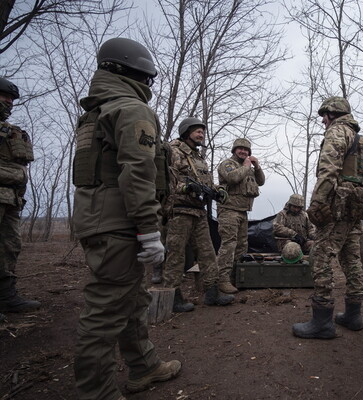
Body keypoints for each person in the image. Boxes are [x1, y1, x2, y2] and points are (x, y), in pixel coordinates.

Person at [72, 37, 180, 399]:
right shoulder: (131, 109)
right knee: (104, 314)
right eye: (147, 77)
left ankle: (143, 366)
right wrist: (149, 230)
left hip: (102, 221)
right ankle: (97, 392)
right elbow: (137, 172)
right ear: (133, 73)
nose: (149, 85)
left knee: (132, 301)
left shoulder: (95, 112)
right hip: (120, 225)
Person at [292, 97, 363, 339]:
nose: (323, 120)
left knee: (321, 257)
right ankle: (353, 315)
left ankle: (322, 321)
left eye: (325, 115)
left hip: (337, 206)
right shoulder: (362, 140)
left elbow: (328, 170)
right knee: (351, 259)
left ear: (334, 114)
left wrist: (317, 203)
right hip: (354, 207)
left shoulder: (337, 132)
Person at [163, 117, 234, 311]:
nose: (201, 133)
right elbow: (166, 182)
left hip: (198, 212)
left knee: (208, 254)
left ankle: (212, 293)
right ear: (186, 132)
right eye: (197, 130)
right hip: (179, 211)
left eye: (202, 131)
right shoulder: (173, 151)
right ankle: (173, 297)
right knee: (176, 255)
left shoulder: (198, 158)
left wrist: (217, 190)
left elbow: (207, 184)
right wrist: (186, 188)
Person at [0, 77, 40, 316]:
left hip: (11, 200)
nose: (8, 102)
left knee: (10, 246)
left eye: (11, 99)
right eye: (4, 97)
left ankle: (6, 296)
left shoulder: (12, 132)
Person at [216, 137, 265, 293]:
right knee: (229, 245)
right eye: (240, 149)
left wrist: (257, 167)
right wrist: (246, 166)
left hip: (243, 212)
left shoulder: (248, 168)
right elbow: (233, 178)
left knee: (241, 247)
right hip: (229, 210)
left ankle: (236, 278)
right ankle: (222, 280)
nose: (243, 151)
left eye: (246, 150)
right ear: (234, 150)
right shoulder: (227, 164)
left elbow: (261, 181)